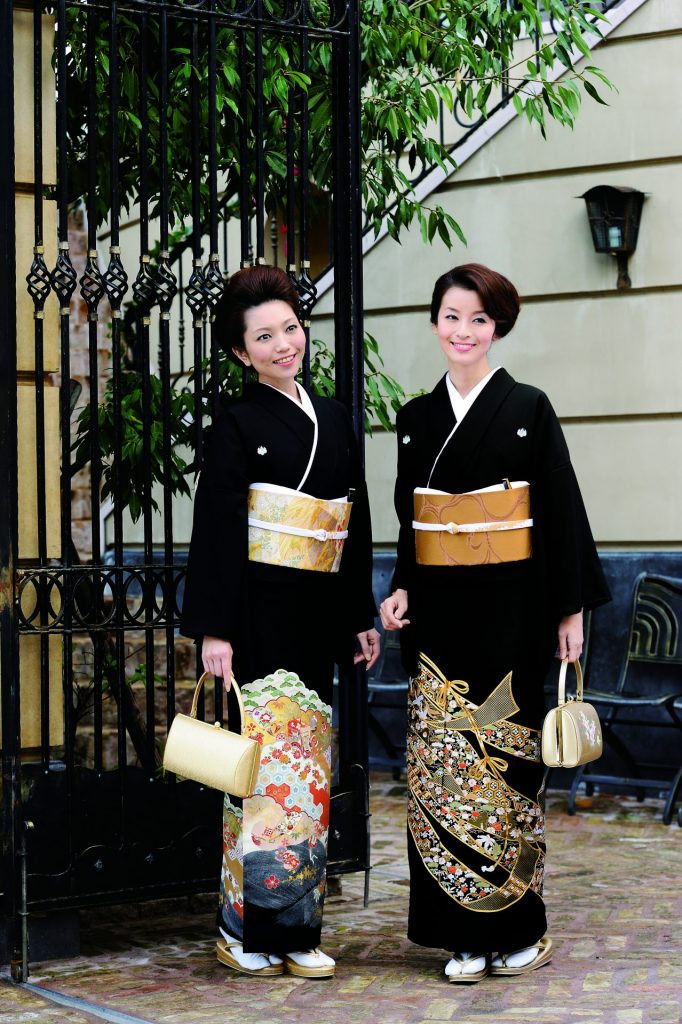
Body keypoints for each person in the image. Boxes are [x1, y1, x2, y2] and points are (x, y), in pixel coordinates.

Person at [379, 263, 610, 983]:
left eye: (478, 319)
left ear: (497, 327)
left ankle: (515, 928)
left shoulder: (528, 407)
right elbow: (411, 517)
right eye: (452, 317)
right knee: (443, 769)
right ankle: (460, 936)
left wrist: (570, 610)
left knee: (508, 766)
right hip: (439, 617)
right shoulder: (416, 418)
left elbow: (560, 513)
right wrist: (401, 585)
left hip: (514, 612)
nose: (463, 331)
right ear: (434, 323)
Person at [181, 265, 380, 979]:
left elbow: (352, 522)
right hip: (256, 616)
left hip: (317, 615)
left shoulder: (335, 416)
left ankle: (297, 929)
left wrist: (359, 614)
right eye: (263, 337)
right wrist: (215, 630)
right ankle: (242, 929)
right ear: (241, 352)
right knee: (260, 769)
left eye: (290, 328)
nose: (283, 344)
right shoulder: (235, 425)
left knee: (309, 770)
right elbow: (216, 531)